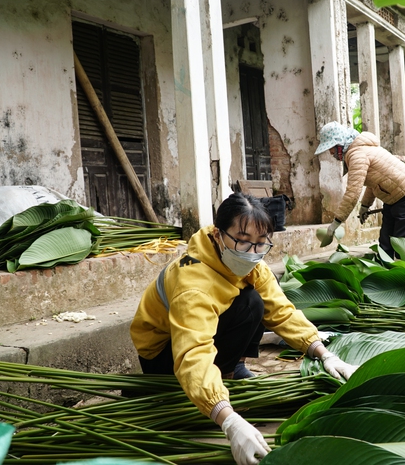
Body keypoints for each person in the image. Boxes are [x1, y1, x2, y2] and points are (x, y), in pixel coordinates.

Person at [130, 192, 357, 465]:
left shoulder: (248, 263)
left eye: (261, 244)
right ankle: (192, 384)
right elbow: (193, 354)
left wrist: (323, 353)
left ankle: (231, 368)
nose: (252, 252)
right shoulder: (192, 283)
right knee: (248, 303)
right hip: (163, 356)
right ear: (217, 235)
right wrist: (227, 418)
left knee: (254, 301)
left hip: (201, 340)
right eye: (242, 240)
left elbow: (281, 311)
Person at [315, 121, 405, 259]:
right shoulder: (359, 151)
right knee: (386, 245)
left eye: (331, 147)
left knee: (403, 246)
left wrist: (335, 224)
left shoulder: (357, 155)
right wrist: (365, 206)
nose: (330, 153)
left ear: (339, 145)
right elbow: (374, 183)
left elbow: (352, 194)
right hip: (393, 199)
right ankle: (386, 277)